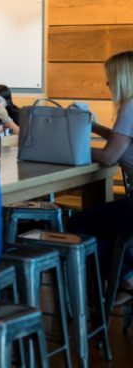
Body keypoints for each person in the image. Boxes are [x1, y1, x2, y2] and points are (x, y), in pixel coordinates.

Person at [68, 51, 133, 304]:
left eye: (110, 78)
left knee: (78, 224)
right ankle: (126, 276)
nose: (108, 84)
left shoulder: (129, 107)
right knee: (103, 223)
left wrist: (71, 151)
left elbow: (108, 157)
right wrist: (94, 127)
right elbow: (122, 142)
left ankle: (125, 280)